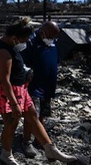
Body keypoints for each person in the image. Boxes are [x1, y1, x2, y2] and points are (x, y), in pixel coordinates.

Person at [0, 17, 76, 165]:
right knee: (11, 122)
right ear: (15, 38)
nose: (26, 42)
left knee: (33, 115)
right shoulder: (2, 52)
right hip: (5, 91)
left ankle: (50, 149)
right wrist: (14, 104)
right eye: (24, 39)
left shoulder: (10, 45)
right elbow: (4, 80)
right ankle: (6, 154)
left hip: (19, 88)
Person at [21, 20, 61, 158]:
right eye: (50, 37)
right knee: (31, 115)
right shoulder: (31, 43)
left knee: (43, 113)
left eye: (53, 38)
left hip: (48, 84)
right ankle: (26, 141)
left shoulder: (52, 43)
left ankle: (39, 138)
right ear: (43, 32)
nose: (51, 40)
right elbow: (23, 63)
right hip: (34, 86)